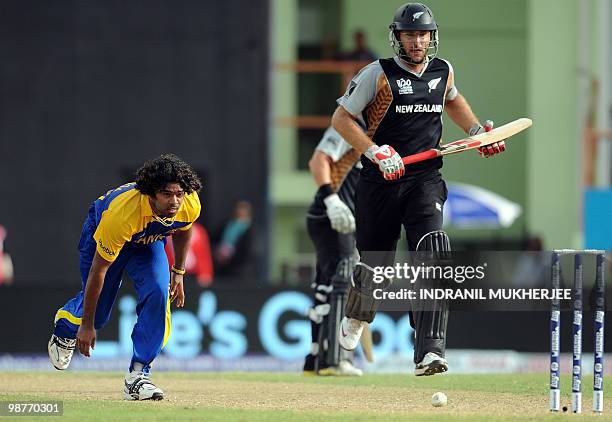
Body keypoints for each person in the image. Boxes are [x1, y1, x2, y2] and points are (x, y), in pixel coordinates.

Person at [331, 3, 506, 376]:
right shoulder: (377, 74)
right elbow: (342, 119)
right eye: (409, 34)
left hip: (425, 179)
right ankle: (359, 312)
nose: (417, 41)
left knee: (433, 250)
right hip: (379, 181)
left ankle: (429, 351)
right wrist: (374, 151)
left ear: (432, 36)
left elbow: (454, 100)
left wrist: (476, 133)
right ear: (397, 38)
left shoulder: (443, 71)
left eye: (422, 34)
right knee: (376, 267)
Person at [48, 154, 202, 400]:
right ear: (150, 194)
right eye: (166, 194)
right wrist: (87, 326)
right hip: (105, 236)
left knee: (159, 293)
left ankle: (138, 376)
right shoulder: (121, 215)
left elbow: (184, 228)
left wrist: (179, 271)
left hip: (147, 243)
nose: (175, 201)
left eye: (179, 194)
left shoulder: (189, 201)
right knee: (98, 314)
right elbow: (99, 270)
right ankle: (66, 324)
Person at [303, 126, 363, 377]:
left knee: (325, 286)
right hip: (332, 215)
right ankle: (334, 359)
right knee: (345, 277)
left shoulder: (387, 132)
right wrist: (331, 200)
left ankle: (316, 361)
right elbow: (317, 160)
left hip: (348, 218)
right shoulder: (352, 126)